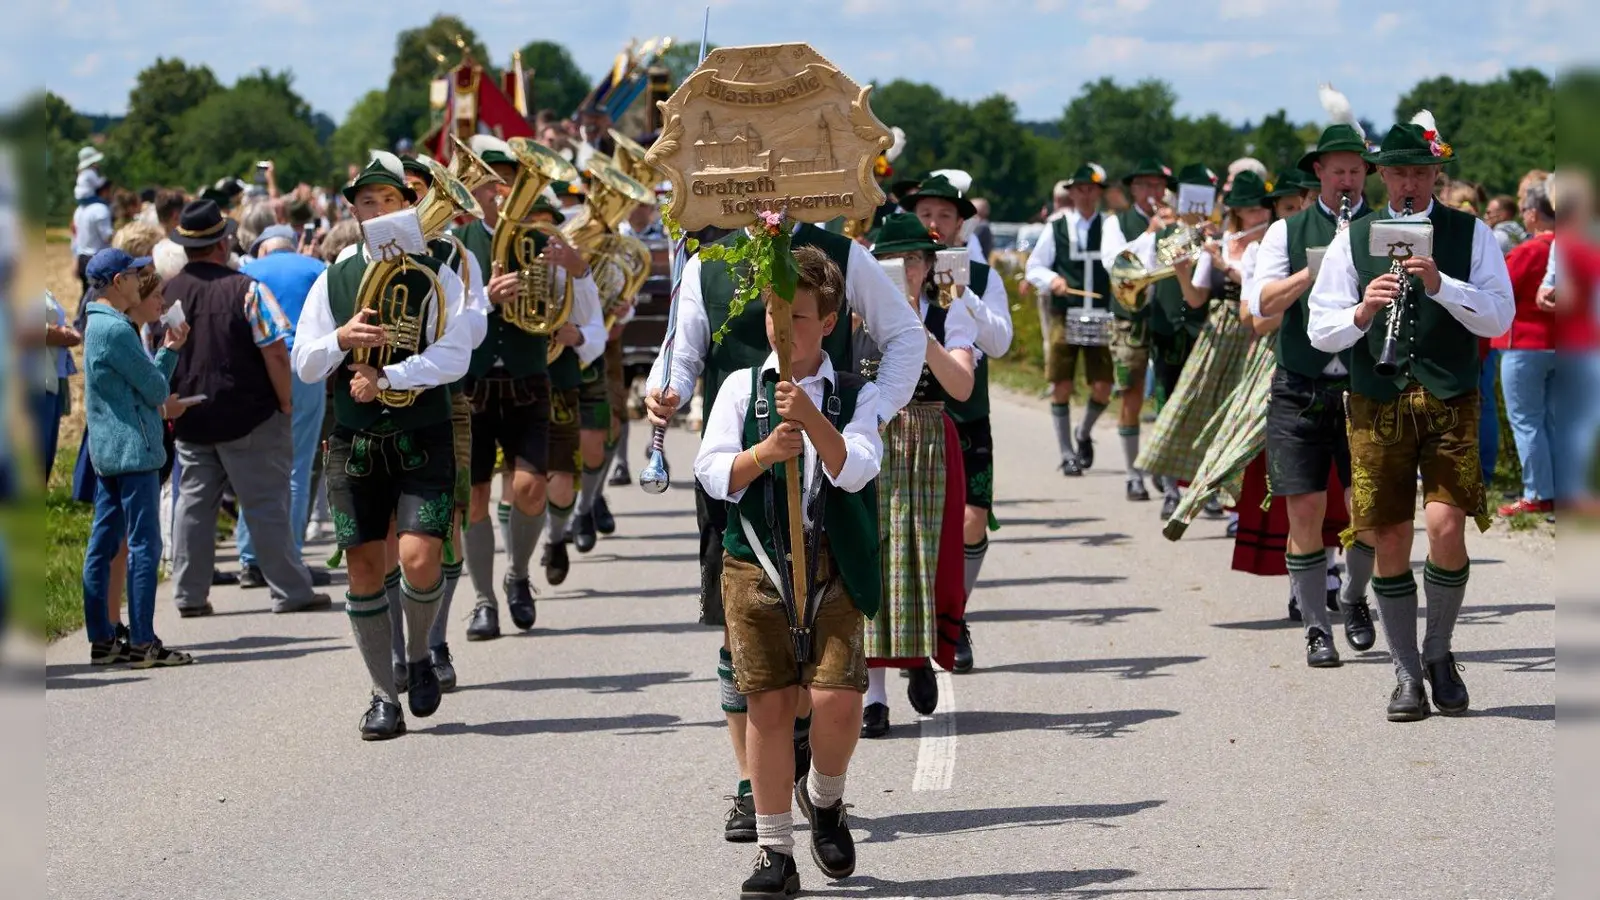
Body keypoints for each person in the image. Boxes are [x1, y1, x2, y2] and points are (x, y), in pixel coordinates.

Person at [645, 208, 923, 844]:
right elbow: (683, 351)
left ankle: (806, 765)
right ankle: (754, 785)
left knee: (823, 665)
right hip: (742, 453)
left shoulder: (840, 254)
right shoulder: (708, 260)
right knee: (740, 626)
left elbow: (904, 337)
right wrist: (673, 390)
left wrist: (874, 415)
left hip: (827, 456)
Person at [1308, 113, 1514, 721]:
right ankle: (1405, 674)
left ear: (1436, 176)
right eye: (1398, 172)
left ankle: (1439, 652)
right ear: (1381, 177)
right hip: (1377, 400)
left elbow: (1499, 318)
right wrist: (1363, 312)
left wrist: (1444, 286)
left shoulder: (1469, 234)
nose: (1408, 184)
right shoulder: (1354, 236)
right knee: (1390, 534)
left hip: (1450, 398)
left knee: (1447, 528)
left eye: (1419, 172)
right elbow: (1321, 329)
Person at [694, 246, 880, 898]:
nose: (782, 327)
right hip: (755, 565)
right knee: (769, 708)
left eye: (798, 316)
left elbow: (857, 466)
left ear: (828, 323)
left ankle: (825, 799)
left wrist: (811, 422)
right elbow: (712, 472)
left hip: (830, 563)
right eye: (774, 312)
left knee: (836, 699)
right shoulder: (740, 388)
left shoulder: (857, 392)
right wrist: (764, 452)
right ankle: (776, 852)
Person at [292, 153, 474, 739]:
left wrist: (390, 378)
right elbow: (303, 360)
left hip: (422, 432)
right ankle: (381, 695)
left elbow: (455, 355)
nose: (377, 211)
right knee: (365, 568)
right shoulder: (337, 273)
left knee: (421, 559)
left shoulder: (440, 266)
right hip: (356, 441)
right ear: (355, 212)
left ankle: (418, 652)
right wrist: (343, 339)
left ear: (408, 204)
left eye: (388, 200)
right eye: (365, 203)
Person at [1248, 112, 1381, 661]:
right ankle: (1315, 627)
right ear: (1319, 174)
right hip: (1299, 386)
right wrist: (1319, 269)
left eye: (1356, 171)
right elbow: (1260, 305)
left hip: (1365, 387)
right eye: (1338, 171)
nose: (1348, 181)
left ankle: (1351, 595)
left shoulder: (1386, 227)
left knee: (1367, 510)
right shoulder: (1286, 231)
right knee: (1303, 507)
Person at [454, 136, 598, 639]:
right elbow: (442, 323)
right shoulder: (454, 247)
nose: (495, 190)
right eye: (485, 181)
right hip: (471, 384)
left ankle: (517, 575)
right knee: (473, 498)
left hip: (527, 378)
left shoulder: (542, 242)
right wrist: (487, 301)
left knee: (529, 487)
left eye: (504, 181)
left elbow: (581, 316)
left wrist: (579, 273)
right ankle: (482, 599)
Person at [165, 199, 331, 618]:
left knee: (195, 506)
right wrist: (286, 401)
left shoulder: (170, 292)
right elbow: (276, 351)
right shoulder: (246, 290)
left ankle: (189, 594)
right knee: (266, 504)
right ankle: (291, 590)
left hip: (191, 415)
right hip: (248, 415)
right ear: (223, 244)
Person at [858, 214, 977, 734]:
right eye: (894, 260)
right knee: (872, 555)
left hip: (928, 437)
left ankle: (918, 655)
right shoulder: (855, 312)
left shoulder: (951, 314)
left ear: (929, 266)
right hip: (874, 433)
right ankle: (874, 697)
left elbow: (962, 387)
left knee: (923, 553)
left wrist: (917, 331)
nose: (904, 270)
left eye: (913, 260)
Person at [902, 174, 1013, 674]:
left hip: (965, 414)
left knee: (971, 520)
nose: (933, 224)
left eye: (944, 216)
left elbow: (1001, 343)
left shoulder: (985, 277)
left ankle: (956, 615)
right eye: (925, 213)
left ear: (961, 224)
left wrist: (963, 294)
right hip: (907, 420)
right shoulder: (894, 269)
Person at [80, 248, 194, 668]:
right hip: (135, 450)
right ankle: (143, 642)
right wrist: (170, 350)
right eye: (134, 274)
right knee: (144, 545)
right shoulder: (117, 330)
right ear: (117, 282)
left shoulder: (94, 323)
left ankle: (103, 639)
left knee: (103, 543)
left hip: (109, 451)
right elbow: (156, 390)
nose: (138, 280)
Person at [1139, 170, 1265, 520]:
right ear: (1238, 212)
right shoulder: (1223, 240)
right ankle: (1180, 487)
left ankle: (1238, 507)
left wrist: (1224, 264)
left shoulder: (1271, 242)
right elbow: (1195, 299)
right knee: (1195, 408)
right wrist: (1181, 269)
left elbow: (1256, 286)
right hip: (1219, 333)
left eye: (1260, 209)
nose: (1258, 216)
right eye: (1249, 210)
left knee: (1245, 417)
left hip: (1256, 331)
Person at [232, 225, 334, 589]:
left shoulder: (246, 273)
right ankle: (288, 557)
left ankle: (249, 557)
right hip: (304, 369)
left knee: (254, 468)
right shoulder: (314, 268)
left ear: (263, 249)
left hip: (256, 372)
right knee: (298, 466)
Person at [1026, 163, 1114, 478]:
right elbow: (1034, 266)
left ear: (1099, 192)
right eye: (1079, 189)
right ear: (1071, 193)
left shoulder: (1110, 225)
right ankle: (1066, 454)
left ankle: (1083, 431)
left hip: (1102, 313)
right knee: (1060, 383)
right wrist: (1052, 281)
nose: (1085, 194)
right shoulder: (1058, 226)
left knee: (1103, 386)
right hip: (1066, 312)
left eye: (1090, 188)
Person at [1100, 159, 1177, 502]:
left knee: (1168, 393)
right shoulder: (1116, 223)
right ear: (1133, 189)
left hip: (1168, 316)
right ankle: (1133, 473)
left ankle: (1162, 466)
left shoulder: (1173, 222)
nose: (1152, 193)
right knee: (1131, 392)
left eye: (1157, 186)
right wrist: (1151, 234)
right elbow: (1116, 262)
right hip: (1129, 318)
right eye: (1145, 186)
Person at [1494, 180, 1557, 517]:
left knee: (1527, 421)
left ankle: (1537, 492)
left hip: (1526, 343)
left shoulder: (1529, 251)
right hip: (1565, 343)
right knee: (1555, 421)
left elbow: (1501, 290)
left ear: (1534, 214)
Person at [72, 160, 115, 295]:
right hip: (96, 259)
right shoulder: (101, 209)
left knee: (86, 295)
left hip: (82, 258)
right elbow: (107, 237)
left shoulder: (81, 209)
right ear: (104, 191)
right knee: (98, 297)